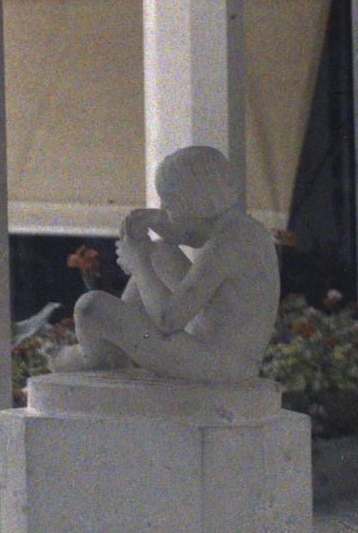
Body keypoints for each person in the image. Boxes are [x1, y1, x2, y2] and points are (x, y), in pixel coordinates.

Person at [49, 145, 279, 383]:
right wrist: (160, 225)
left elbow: (168, 320)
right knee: (159, 253)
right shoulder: (243, 230)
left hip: (218, 366)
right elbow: (195, 237)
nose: (162, 210)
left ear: (194, 203)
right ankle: (114, 346)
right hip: (225, 354)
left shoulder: (225, 245)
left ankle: (98, 356)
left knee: (91, 307)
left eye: (168, 205)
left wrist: (139, 265)